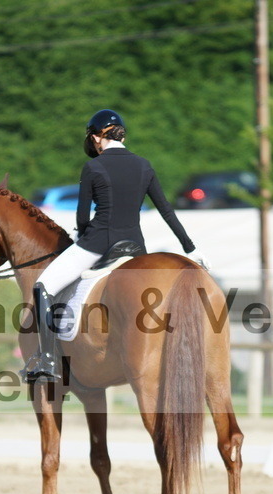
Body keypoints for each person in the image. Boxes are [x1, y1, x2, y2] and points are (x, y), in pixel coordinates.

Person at [24, 109, 209, 383]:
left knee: (42, 287)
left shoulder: (93, 167)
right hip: (135, 246)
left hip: (97, 244)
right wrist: (190, 249)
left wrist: (80, 237)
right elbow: (166, 211)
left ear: (98, 137)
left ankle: (48, 360)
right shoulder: (144, 165)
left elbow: (83, 217)